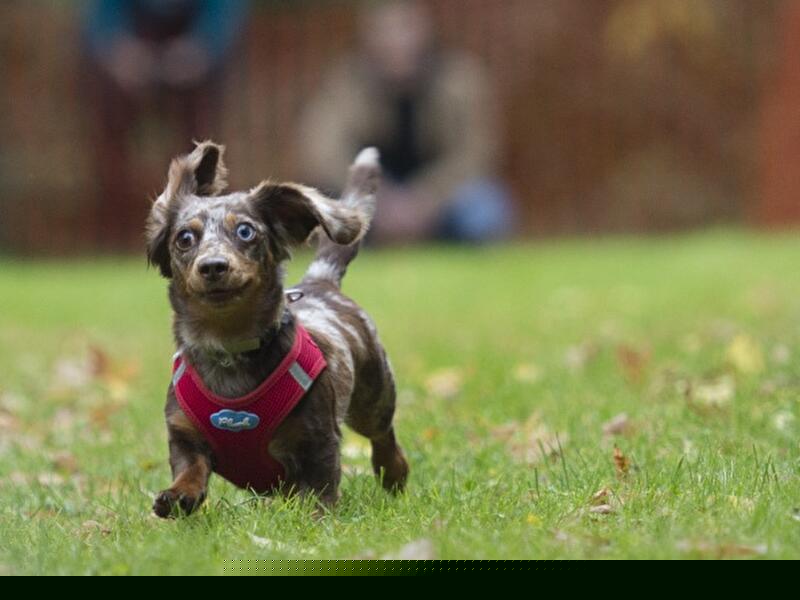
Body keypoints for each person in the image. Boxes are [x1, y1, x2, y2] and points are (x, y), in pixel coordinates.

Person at [299, 0, 514, 244]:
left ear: (424, 31)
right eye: (386, 31)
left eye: (404, 29)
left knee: (485, 210)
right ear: (369, 38)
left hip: (444, 197)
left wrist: (427, 198)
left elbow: (476, 152)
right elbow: (323, 150)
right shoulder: (347, 84)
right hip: (373, 200)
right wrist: (381, 198)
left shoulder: (460, 80)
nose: (396, 40)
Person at [81, 0, 247, 248]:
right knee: (110, 135)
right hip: (127, 55)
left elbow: (223, 16)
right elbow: (102, 20)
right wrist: (120, 53)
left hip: (197, 64)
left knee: (200, 145)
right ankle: (114, 235)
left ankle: (207, 231)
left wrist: (198, 50)